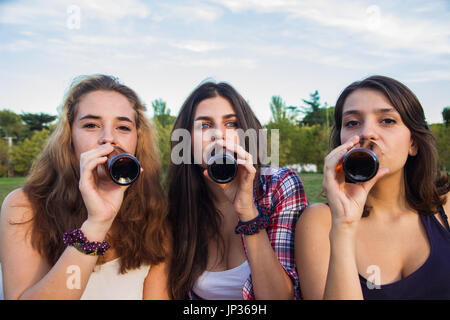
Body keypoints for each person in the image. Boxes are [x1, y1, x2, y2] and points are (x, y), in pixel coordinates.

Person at [0, 74, 170, 299]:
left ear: (137, 141)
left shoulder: (155, 213)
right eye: (91, 125)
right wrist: (97, 224)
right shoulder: (24, 207)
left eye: (123, 127)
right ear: (69, 138)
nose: (108, 139)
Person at [295, 75, 450, 299]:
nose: (366, 132)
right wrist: (344, 225)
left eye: (387, 120)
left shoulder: (445, 206)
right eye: (352, 123)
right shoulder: (320, 221)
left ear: (413, 143)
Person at [166, 81, 307, 300]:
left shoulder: (279, 185)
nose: (218, 135)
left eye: (231, 124)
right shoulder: (178, 204)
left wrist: (247, 212)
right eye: (204, 125)